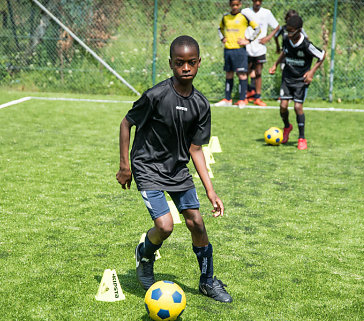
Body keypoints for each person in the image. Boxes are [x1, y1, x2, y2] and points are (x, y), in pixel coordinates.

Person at [116, 35, 233, 303]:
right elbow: (126, 123)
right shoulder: (156, 95)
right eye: (180, 63)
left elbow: (195, 150)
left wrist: (211, 192)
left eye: (191, 62)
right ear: (171, 63)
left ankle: (207, 281)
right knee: (165, 226)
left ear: (199, 63)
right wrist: (125, 166)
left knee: (197, 222)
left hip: (177, 169)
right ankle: (144, 255)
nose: (186, 68)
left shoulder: (201, 105)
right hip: (147, 166)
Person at [268, 15, 325, 150]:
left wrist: (311, 72)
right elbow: (284, 52)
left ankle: (301, 138)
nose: (288, 33)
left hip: (301, 80)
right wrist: (275, 64)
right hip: (287, 78)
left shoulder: (306, 44)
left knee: (297, 107)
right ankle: (287, 126)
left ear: (299, 30)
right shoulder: (287, 40)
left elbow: (322, 55)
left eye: (291, 31)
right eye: (287, 30)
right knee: (283, 106)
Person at [215, 0, 260, 109]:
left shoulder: (244, 16)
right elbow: (219, 28)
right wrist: (222, 38)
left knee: (242, 74)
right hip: (228, 50)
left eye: (237, 5)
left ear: (240, 5)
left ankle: (242, 99)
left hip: (239, 50)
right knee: (229, 74)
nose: (235, 7)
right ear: (230, 5)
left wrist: (248, 40)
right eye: (233, 5)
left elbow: (257, 28)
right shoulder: (225, 17)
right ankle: (227, 99)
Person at [242, 0, 280, 107]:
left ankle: (257, 97)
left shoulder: (266, 13)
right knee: (246, 72)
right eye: (255, 0)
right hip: (248, 47)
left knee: (258, 72)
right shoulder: (245, 12)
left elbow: (277, 26)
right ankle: (245, 95)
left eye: (260, 1)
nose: (257, 3)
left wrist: (268, 38)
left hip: (260, 49)